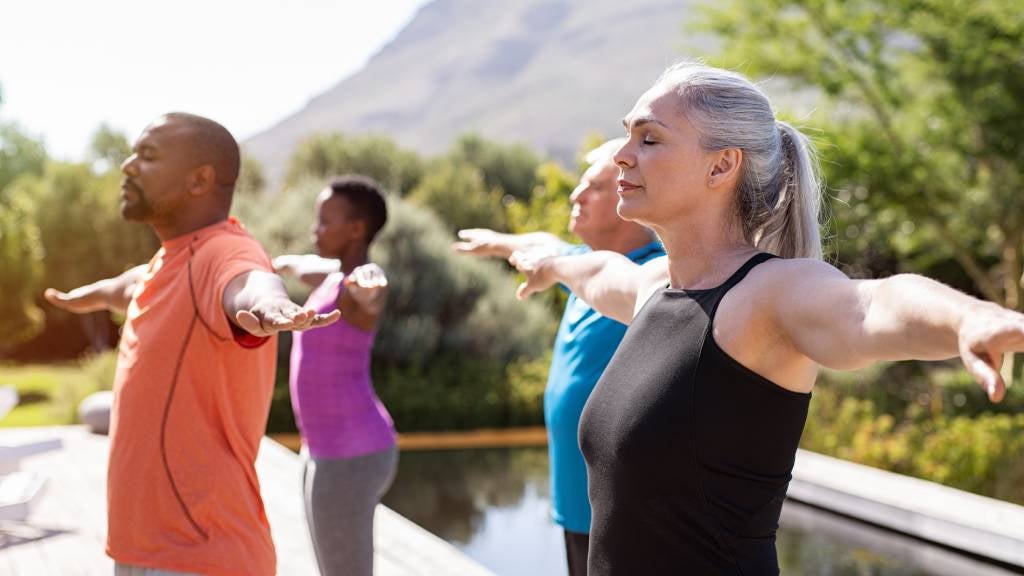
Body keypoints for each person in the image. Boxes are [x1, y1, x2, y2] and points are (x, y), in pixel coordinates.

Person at [509, 62, 1024, 575]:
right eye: (628, 136)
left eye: (649, 139)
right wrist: (550, 263)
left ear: (721, 166)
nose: (622, 156)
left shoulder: (767, 295)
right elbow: (596, 271)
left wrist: (969, 317)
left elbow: (872, 304)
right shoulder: (655, 289)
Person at [44, 112, 338, 576]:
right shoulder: (171, 260)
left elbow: (250, 281)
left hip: (203, 556)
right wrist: (87, 296)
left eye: (148, 156)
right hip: (142, 550)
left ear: (200, 179)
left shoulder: (224, 252)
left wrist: (271, 307)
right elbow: (129, 285)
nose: (127, 166)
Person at [454, 140, 663, 576]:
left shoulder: (655, 276)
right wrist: (497, 242)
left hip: (629, 516)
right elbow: (544, 243)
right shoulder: (582, 264)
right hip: (578, 508)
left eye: (593, 187)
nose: (575, 196)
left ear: (632, 198)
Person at [273, 175, 397, 576]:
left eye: (325, 221)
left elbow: (371, 288)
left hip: (351, 454)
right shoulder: (330, 277)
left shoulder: (356, 284)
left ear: (356, 229)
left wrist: (368, 287)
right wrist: (269, 265)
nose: (315, 229)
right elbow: (299, 264)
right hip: (324, 449)